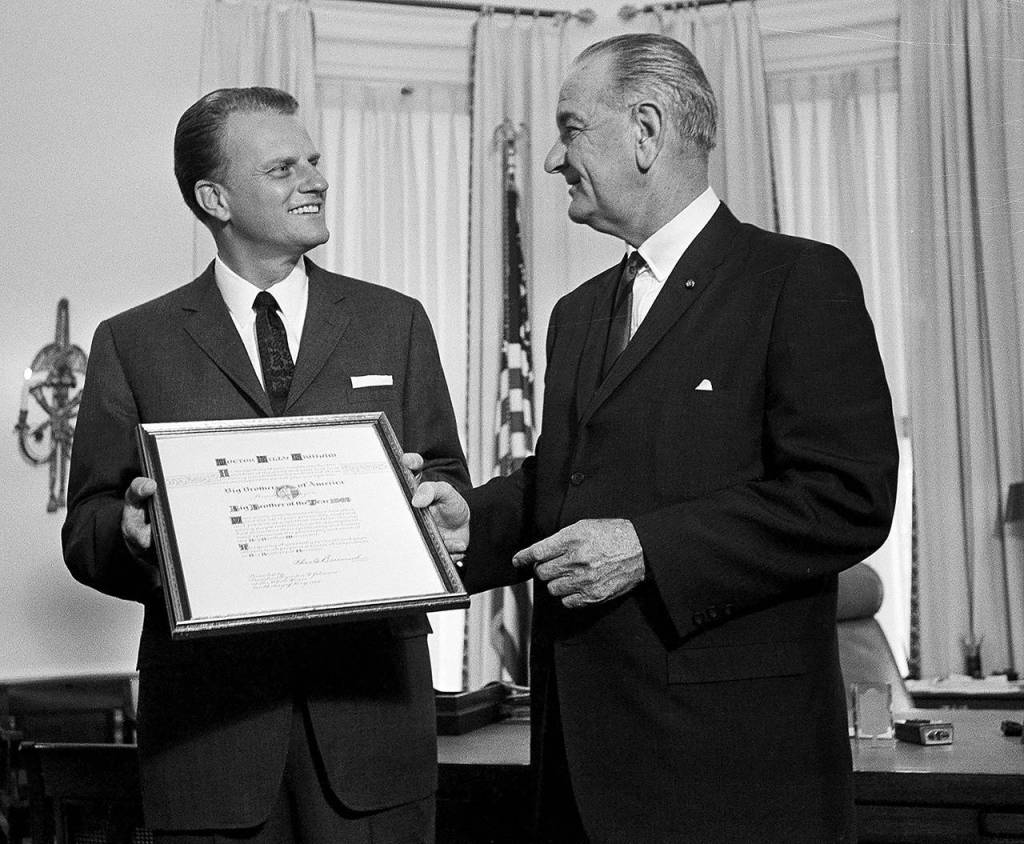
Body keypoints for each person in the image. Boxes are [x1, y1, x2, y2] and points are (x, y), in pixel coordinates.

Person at [409, 34, 898, 843]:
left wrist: (647, 548)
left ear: (645, 129)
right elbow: (567, 482)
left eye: (571, 129)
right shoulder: (577, 313)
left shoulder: (797, 282)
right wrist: (474, 522)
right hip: (580, 771)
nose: (554, 160)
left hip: (733, 777)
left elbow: (846, 497)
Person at [62, 86, 468, 843]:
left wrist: (446, 507)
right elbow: (85, 528)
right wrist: (128, 532)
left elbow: (444, 479)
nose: (314, 179)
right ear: (215, 196)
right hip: (209, 746)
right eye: (284, 168)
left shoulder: (395, 321)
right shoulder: (133, 342)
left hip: (373, 731)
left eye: (313, 161)